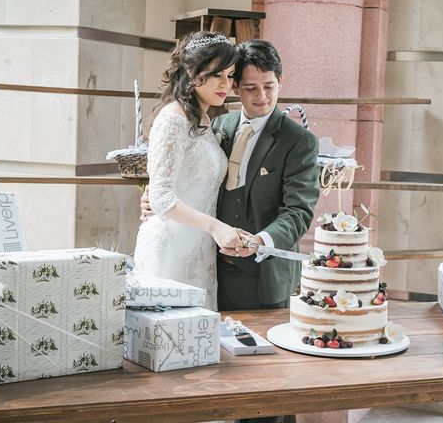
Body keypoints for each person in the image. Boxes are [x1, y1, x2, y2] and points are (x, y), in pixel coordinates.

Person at [141, 39, 320, 314]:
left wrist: (261, 241)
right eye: (250, 87)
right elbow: (182, 176)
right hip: (210, 264)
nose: (261, 95)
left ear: (280, 82)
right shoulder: (218, 125)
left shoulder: (300, 141)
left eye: (269, 86)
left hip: (263, 276)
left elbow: (298, 212)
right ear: (237, 87)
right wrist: (153, 195)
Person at [133, 31, 244, 311]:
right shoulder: (173, 119)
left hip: (199, 247)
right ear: (192, 72)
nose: (225, 84)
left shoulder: (204, 118)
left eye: (230, 76)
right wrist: (215, 226)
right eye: (217, 74)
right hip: (169, 249)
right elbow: (161, 198)